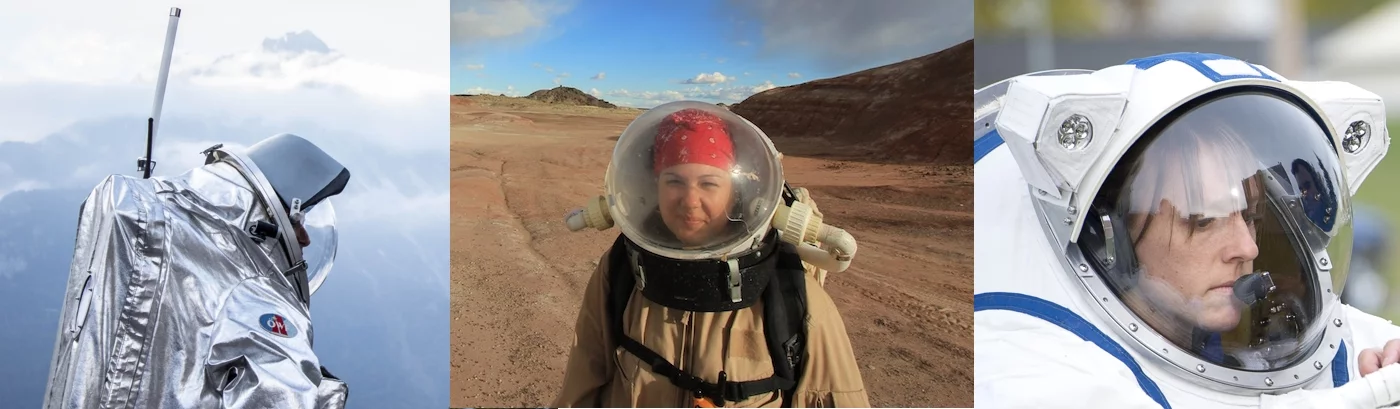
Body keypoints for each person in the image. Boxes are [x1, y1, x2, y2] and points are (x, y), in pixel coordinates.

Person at [974, 52, 1400, 408]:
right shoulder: (1029, 371)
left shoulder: (1362, 353)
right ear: (1112, 239)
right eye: (1204, 221)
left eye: (1250, 216)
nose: (1246, 247)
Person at [554, 102, 870, 407]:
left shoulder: (788, 288)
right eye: (674, 181)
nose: (690, 201)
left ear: (733, 190)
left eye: (709, 184)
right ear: (655, 186)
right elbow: (582, 383)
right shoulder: (623, 268)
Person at [43, 133, 352, 409]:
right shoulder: (253, 290)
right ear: (267, 216)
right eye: (298, 221)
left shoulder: (152, 228)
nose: (305, 238)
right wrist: (324, 393)